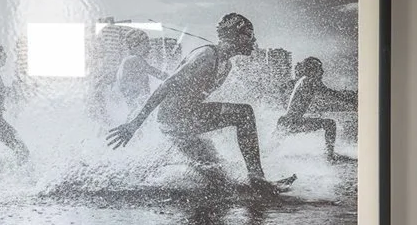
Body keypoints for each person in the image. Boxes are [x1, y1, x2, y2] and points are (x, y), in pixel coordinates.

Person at [106, 13, 293, 194]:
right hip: (175, 118)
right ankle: (257, 178)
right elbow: (166, 86)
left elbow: (206, 103)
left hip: (186, 120)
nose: (253, 41)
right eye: (249, 35)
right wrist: (134, 124)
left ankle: (251, 184)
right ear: (234, 36)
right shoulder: (207, 55)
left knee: (219, 179)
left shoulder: (226, 65)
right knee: (244, 113)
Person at [274, 57, 342, 161]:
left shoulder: (305, 80)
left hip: (287, 121)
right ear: (313, 70)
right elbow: (330, 93)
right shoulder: (309, 80)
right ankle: (330, 155)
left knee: (273, 149)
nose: (323, 72)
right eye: (320, 69)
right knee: (330, 124)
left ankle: (330, 154)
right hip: (292, 122)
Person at [115, 29, 166, 114]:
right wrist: (178, 76)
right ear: (135, 45)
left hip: (135, 110)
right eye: (146, 43)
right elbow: (158, 74)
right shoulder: (135, 59)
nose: (149, 47)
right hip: (140, 109)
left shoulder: (125, 62)